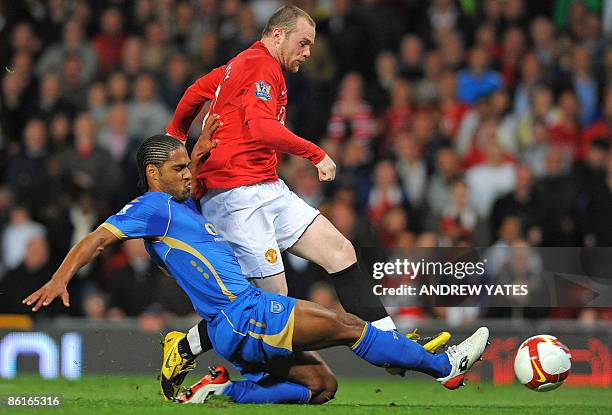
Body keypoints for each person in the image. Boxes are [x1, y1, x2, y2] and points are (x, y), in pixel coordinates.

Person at [23, 130, 489, 405]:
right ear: (153, 175)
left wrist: (203, 149)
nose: (189, 174)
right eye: (180, 169)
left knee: (322, 386)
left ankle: (217, 391)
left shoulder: (181, 204)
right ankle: (441, 366)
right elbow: (97, 239)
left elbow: (197, 165)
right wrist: (60, 277)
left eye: (190, 166)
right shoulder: (152, 208)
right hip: (245, 316)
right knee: (348, 326)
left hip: (236, 325)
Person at [164, 5, 450, 396]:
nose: (308, 52)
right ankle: (195, 353)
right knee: (271, 306)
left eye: (311, 45)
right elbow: (261, 126)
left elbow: (196, 92)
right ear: (278, 35)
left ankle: (391, 346)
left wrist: (176, 134)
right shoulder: (260, 64)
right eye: (303, 43)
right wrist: (316, 153)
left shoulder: (240, 65)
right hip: (235, 197)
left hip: (267, 186)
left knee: (339, 250)